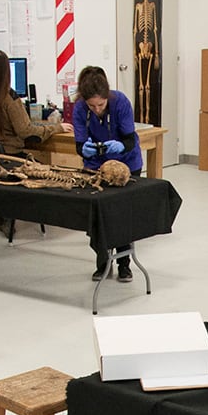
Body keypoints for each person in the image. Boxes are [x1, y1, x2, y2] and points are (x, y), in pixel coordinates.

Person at [72, 65, 144, 282]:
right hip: (96, 165)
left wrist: (119, 146)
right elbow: (79, 144)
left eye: (101, 105)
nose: (96, 109)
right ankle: (102, 262)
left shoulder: (120, 102)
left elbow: (129, 139)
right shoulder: (79, 109)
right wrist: (84, 148)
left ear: (107, 97)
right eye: (91, 106)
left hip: (126, 163)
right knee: (98, 215)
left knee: (122, 214)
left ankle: (124, 264)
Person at [0, 50, 68, 155]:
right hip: (7, 157)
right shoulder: (9, 97)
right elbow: (26, 131)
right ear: (6, 72)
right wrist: (57, 128)